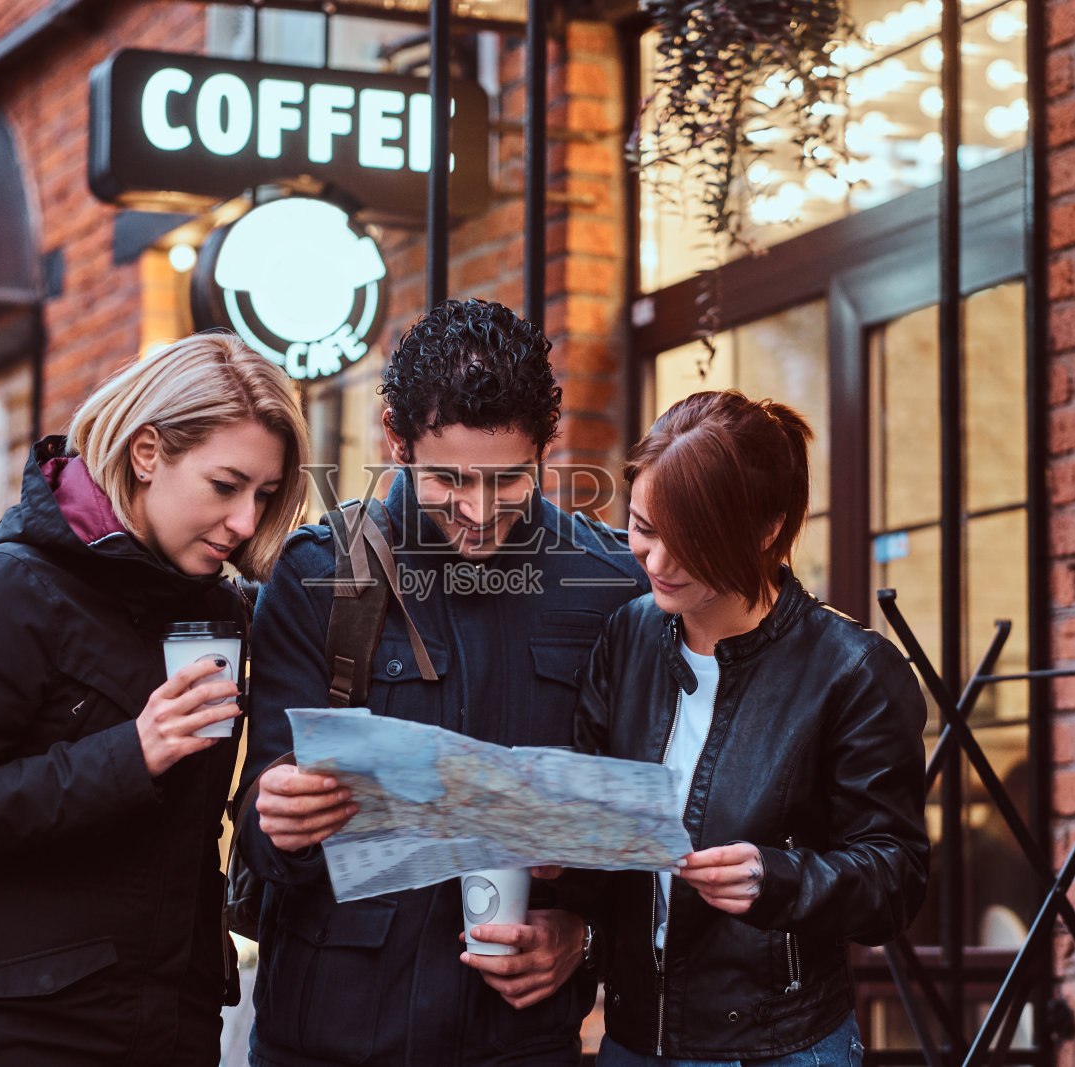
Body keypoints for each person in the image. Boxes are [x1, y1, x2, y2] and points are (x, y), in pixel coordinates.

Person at [0, 332, 309, 1066]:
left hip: (156, 1029)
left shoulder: (222, 614)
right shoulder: (10, 589)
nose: (244, 523)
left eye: (263, 495)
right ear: (146, 454)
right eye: (225, 486)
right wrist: (129, 753)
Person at [235, 298, 651, 1066]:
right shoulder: (319, 572)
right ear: (396, 437)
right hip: (326, 1040)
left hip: (517, 1044)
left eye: (507, 481)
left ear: (545, 450)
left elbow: (646, 817)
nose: (478, 511)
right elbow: (261, 821)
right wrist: (277, 816)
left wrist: (584, 938)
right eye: (450, 478)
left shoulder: (612, 581)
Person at [573, 390, 929, 1065]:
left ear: (767, 529)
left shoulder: (852, 671)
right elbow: (596, 816)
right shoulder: (628, 637)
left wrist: (780, 878)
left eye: (691, 540)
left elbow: (897, 878)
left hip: (777, 1043)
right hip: (631, 1038)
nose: (656, 561)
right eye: (644, 527)